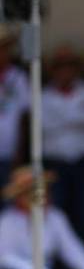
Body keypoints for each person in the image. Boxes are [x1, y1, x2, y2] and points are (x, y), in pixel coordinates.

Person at [41, 45, 84, 239]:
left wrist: (61, 119)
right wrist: (74, 119)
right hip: (55, 161)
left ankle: (81, 249)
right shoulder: (43, 95)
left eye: (70, 65)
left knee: (83, 208)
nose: (65, 70)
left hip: (83, 160)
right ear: (53, 70)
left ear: (77, 68)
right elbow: (44, 124)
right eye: (60, 66)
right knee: (57, 208)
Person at [0, 24, 28, 194]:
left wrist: (20, 151)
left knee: (9, 196)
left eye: (3, 48)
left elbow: (24, 117)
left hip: (10, 153)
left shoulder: (19, 77)